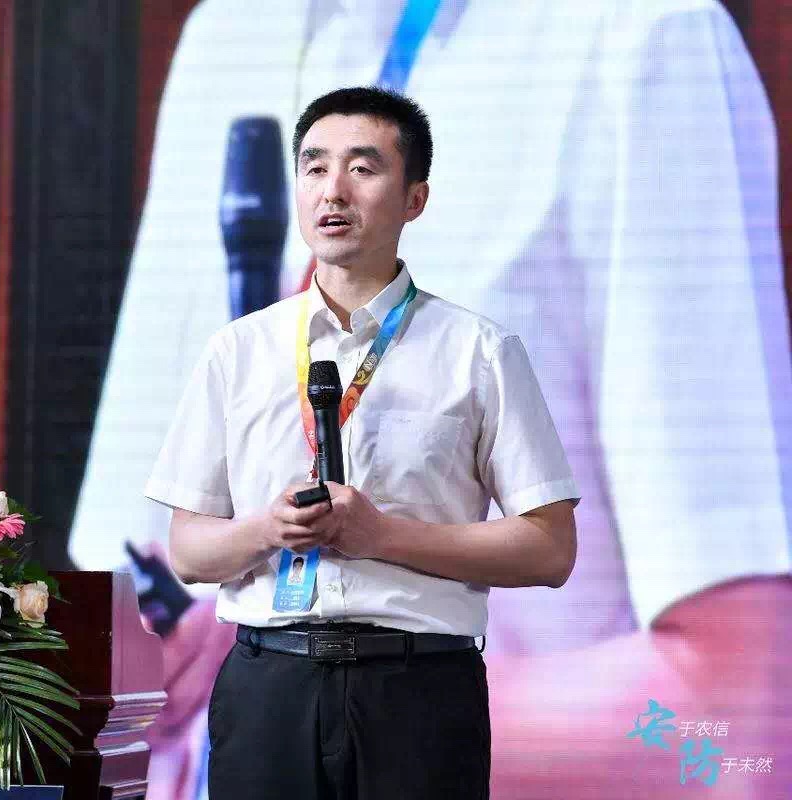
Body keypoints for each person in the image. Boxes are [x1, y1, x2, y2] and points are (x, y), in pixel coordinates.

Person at [74, 2, 792, 796]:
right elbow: (124, 627)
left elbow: (737, 723)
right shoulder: (230, 34)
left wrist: (340, 707)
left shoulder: (646, 39)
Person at [146, 86, 579, 799]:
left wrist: (381, 536)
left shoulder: (479, 352)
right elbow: (190, 552)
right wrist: (268, 529)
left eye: (363, 168)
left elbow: (550, 549)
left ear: (415, 199)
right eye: (315, 167)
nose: (333, 190)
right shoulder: (238, 351)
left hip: (420, 691)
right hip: (269, 688)